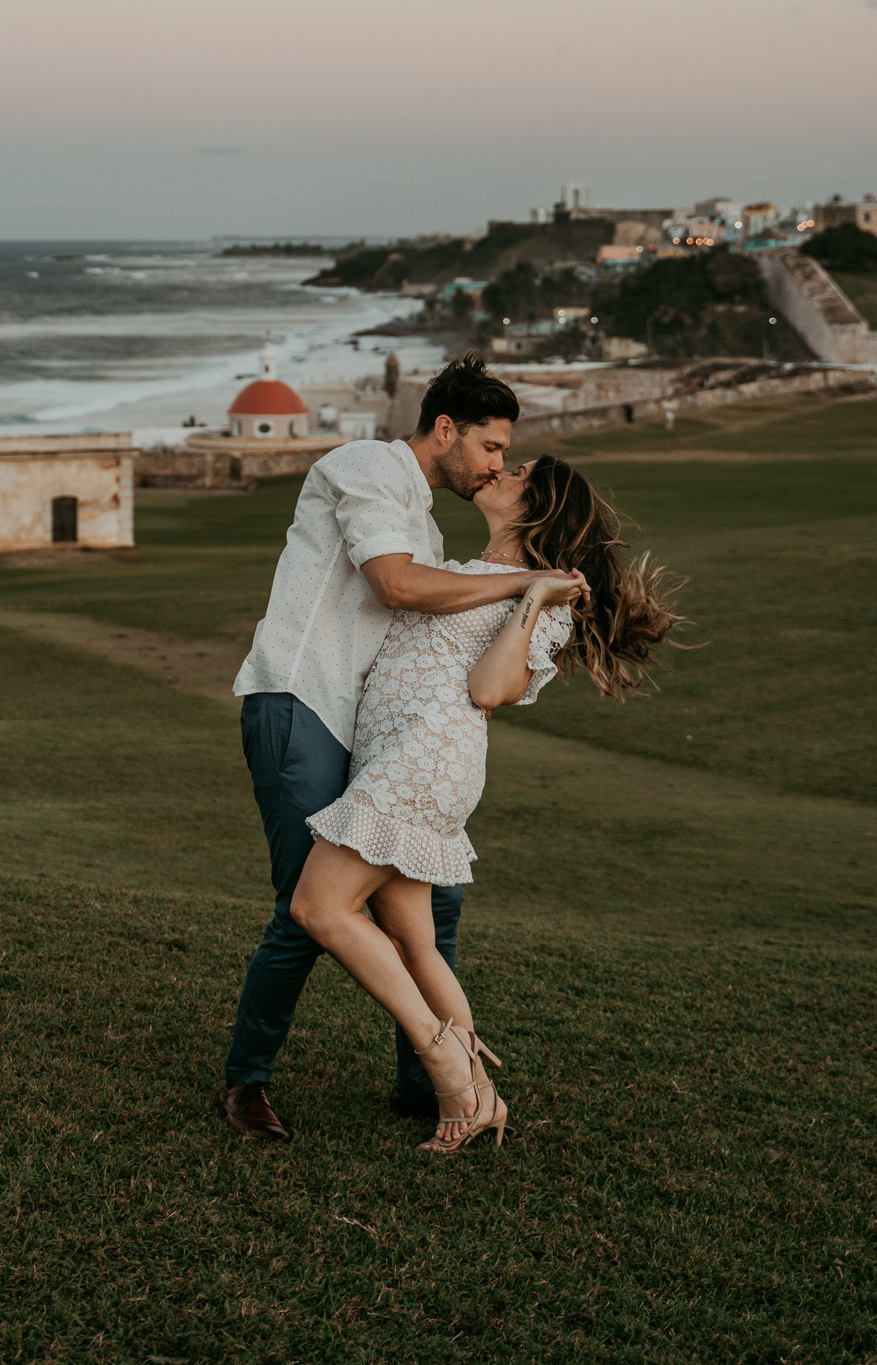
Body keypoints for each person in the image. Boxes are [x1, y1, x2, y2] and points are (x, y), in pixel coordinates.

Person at [220, 354, 589, 1142]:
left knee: (432, 913)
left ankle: (429, 1085)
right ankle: (247, 1083)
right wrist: (528, 585)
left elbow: (472, 658)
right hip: (304, 699)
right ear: (446, 429)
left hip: (379, 738)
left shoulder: (426, 525)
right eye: (491, 447)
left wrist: (529, 595)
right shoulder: (366, 467)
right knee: (307, 909)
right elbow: (396, 585)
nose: (496, 464)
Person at [291, 453, 683, 1155]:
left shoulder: (552, 596)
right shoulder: (467, 569)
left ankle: (445, 1063)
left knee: (318, 908)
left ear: (536, 503)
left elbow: (490, 690)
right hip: (394, 754)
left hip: (426, 762)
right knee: (414, 937)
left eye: (518, 470)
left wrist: (534, 597)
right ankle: (480, 1098)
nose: (498, 469)